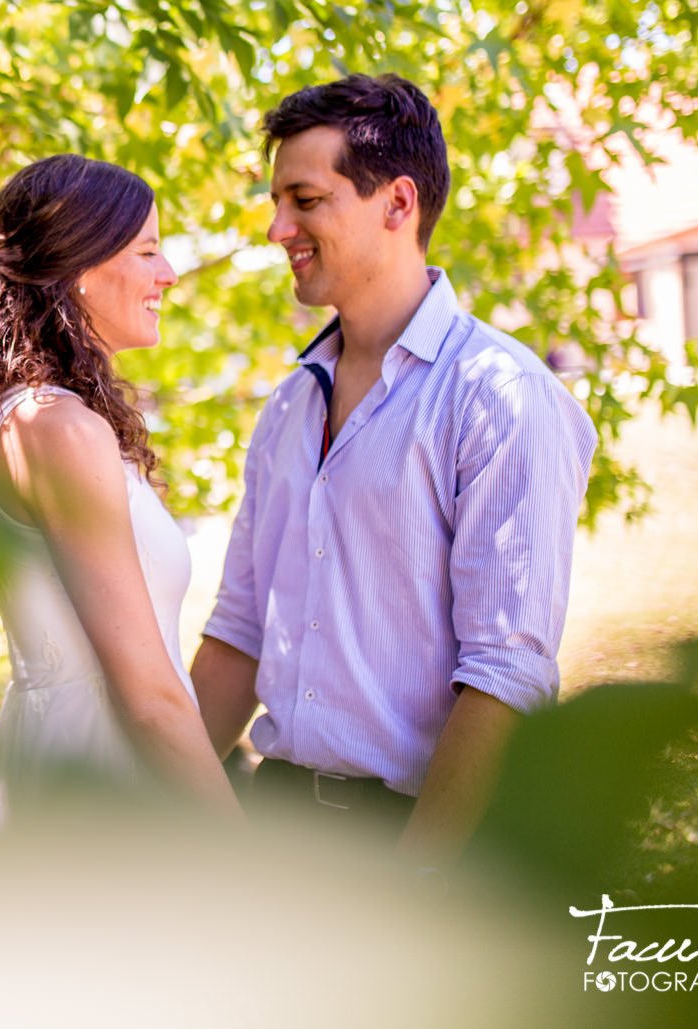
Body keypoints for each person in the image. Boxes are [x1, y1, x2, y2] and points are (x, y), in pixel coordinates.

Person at [190, 74, 597, 863]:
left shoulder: (501, 395)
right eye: (277, 201)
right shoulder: (286, 409)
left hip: (414, 839)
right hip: (274, 824)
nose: (278, 228)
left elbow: (505, 675)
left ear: (398, 204)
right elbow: (238, 634)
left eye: (304, 200)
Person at [0, 155, 242, 827]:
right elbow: (149, 694)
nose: (169, 273)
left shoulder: (37, 419)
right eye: (148, 251)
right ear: (77, 268)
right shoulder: (59, 429)